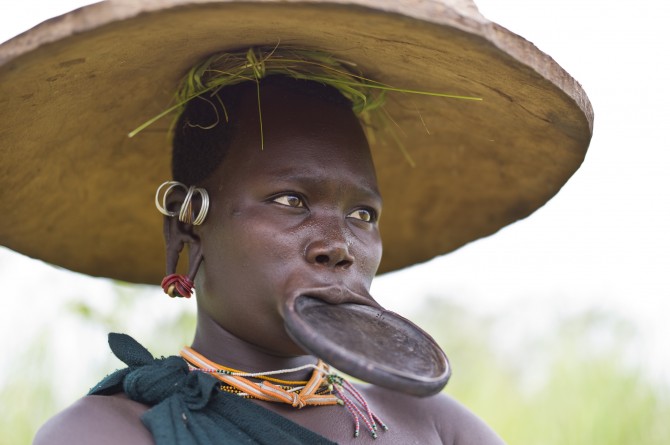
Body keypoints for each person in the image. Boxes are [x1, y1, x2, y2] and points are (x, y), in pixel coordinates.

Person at [0, 1, 593, 444]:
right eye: (290, 200)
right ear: (187, 231)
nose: (339, 244)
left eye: (362, 214)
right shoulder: (109, 433)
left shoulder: (434, 425)